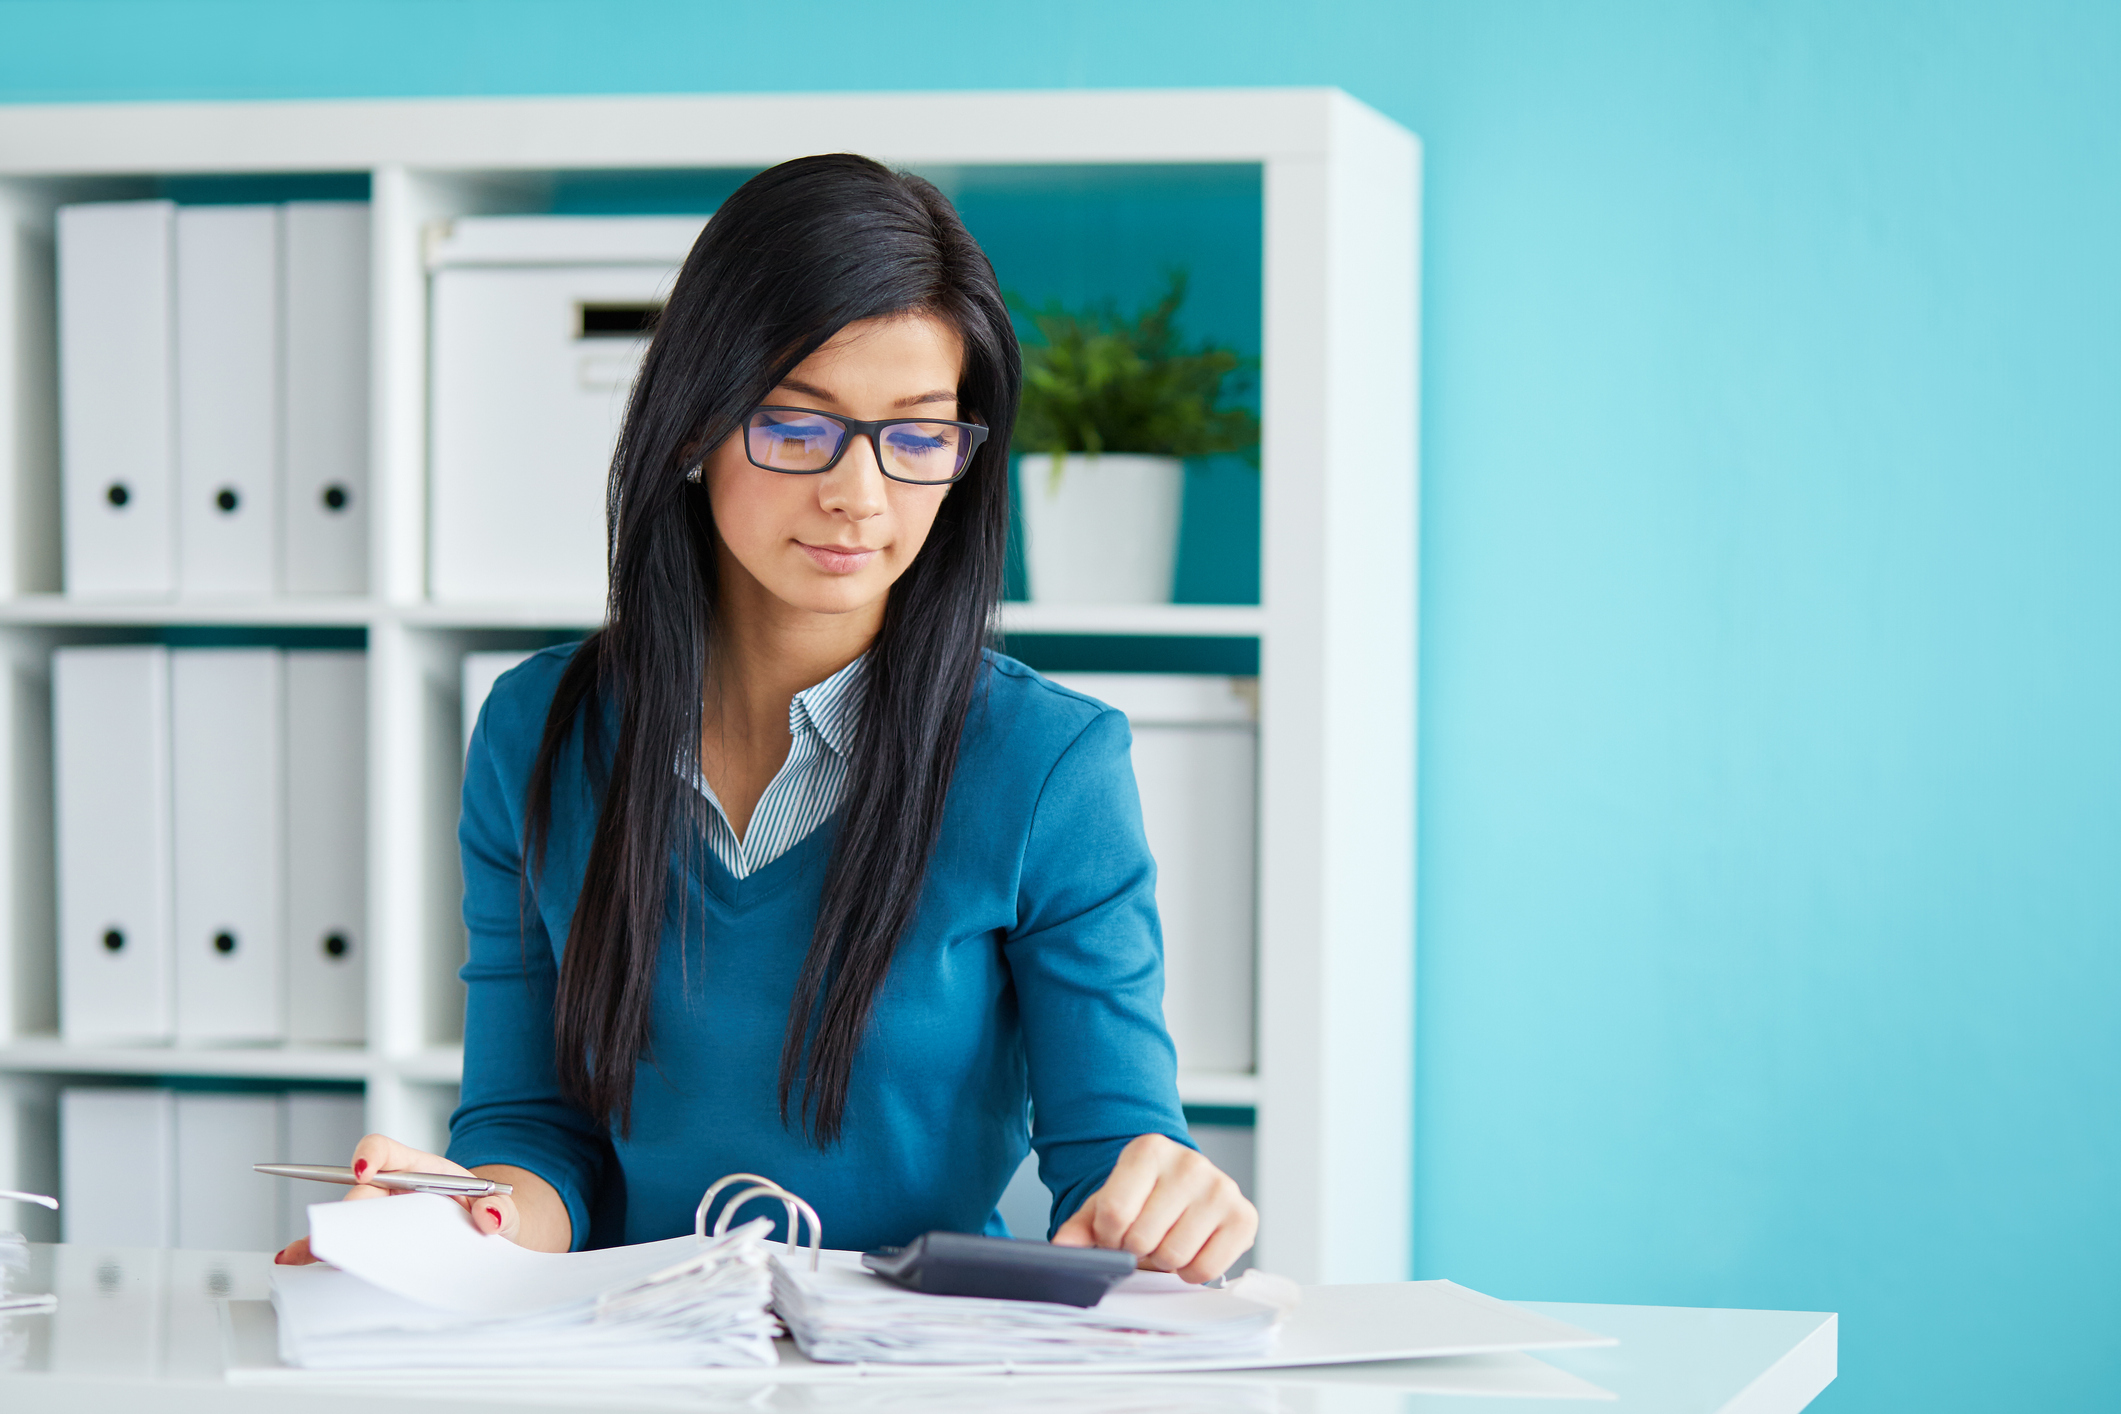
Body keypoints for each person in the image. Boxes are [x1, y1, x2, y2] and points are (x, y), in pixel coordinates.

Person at [275, 154, 1256, 1283]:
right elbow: (535, 1130)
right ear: (694, 426)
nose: (861, 495)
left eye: (919, 434)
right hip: (635, 1357)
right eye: (801, 427)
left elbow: (1110, 1156)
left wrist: (1161, 1199)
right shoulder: (538, 731)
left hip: (913, 1371)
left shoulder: (1051, 765)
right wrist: (451, 1221)